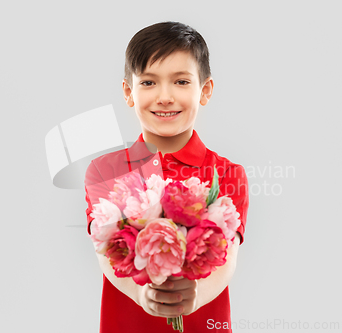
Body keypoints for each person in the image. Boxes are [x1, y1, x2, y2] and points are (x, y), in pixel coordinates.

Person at [84, 21, 249, 333]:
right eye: (148, 83)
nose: (165, 97)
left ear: (206, 90)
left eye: (181, 82)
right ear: (128, 92)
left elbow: (226, 259)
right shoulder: (106, 171)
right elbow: (106, 250)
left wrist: (195, 296)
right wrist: (140, 294)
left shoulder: (226, 174)